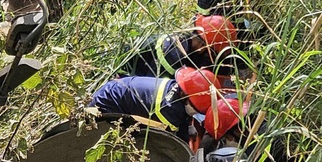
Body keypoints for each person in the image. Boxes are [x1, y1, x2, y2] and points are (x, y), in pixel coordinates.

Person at [87, 68, 221, 141]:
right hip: (106, 105)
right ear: (185, 97)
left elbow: (183, 113)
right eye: (196, 109)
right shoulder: (168, 110)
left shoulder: (176, 87)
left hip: (112, 89)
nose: (196, 113)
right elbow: (173, 140)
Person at [120, 15, 238, 78]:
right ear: (203, 47)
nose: (211, 56)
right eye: (212, 52)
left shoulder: (187, 42)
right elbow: (157, 90)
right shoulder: (173, 55)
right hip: (126, 74)